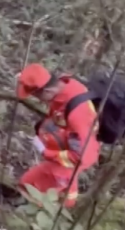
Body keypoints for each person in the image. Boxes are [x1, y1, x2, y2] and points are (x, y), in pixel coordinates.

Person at [15, 63, 100, 208]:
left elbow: (79, 156)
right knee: (26, 184)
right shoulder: (64, 85)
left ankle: (56, 214)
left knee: (50, 198)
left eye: (37, 96)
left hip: (71, 160)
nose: (38, 100)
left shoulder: (77, 115)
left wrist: (46, 152)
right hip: (63, 150)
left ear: (47, 91)